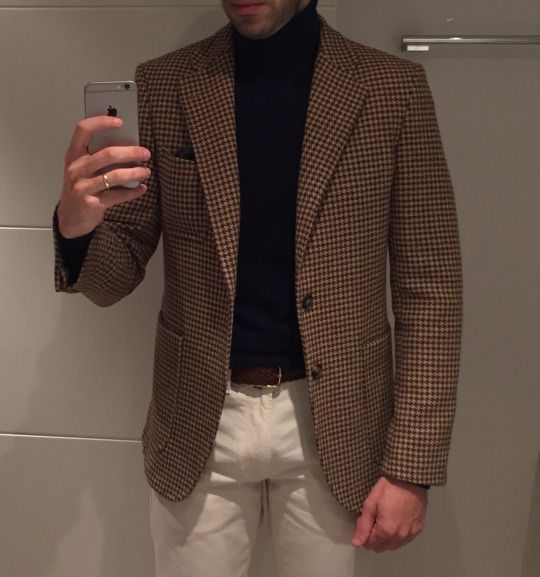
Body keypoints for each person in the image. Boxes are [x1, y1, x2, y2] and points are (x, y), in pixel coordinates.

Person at [53, 0, 463, 575]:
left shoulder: (392, 89)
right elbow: (113, 276)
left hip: (336, 423)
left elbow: (432, 288)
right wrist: (75, 228)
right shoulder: (167, 83)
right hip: (197, 420)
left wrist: (411, 466)